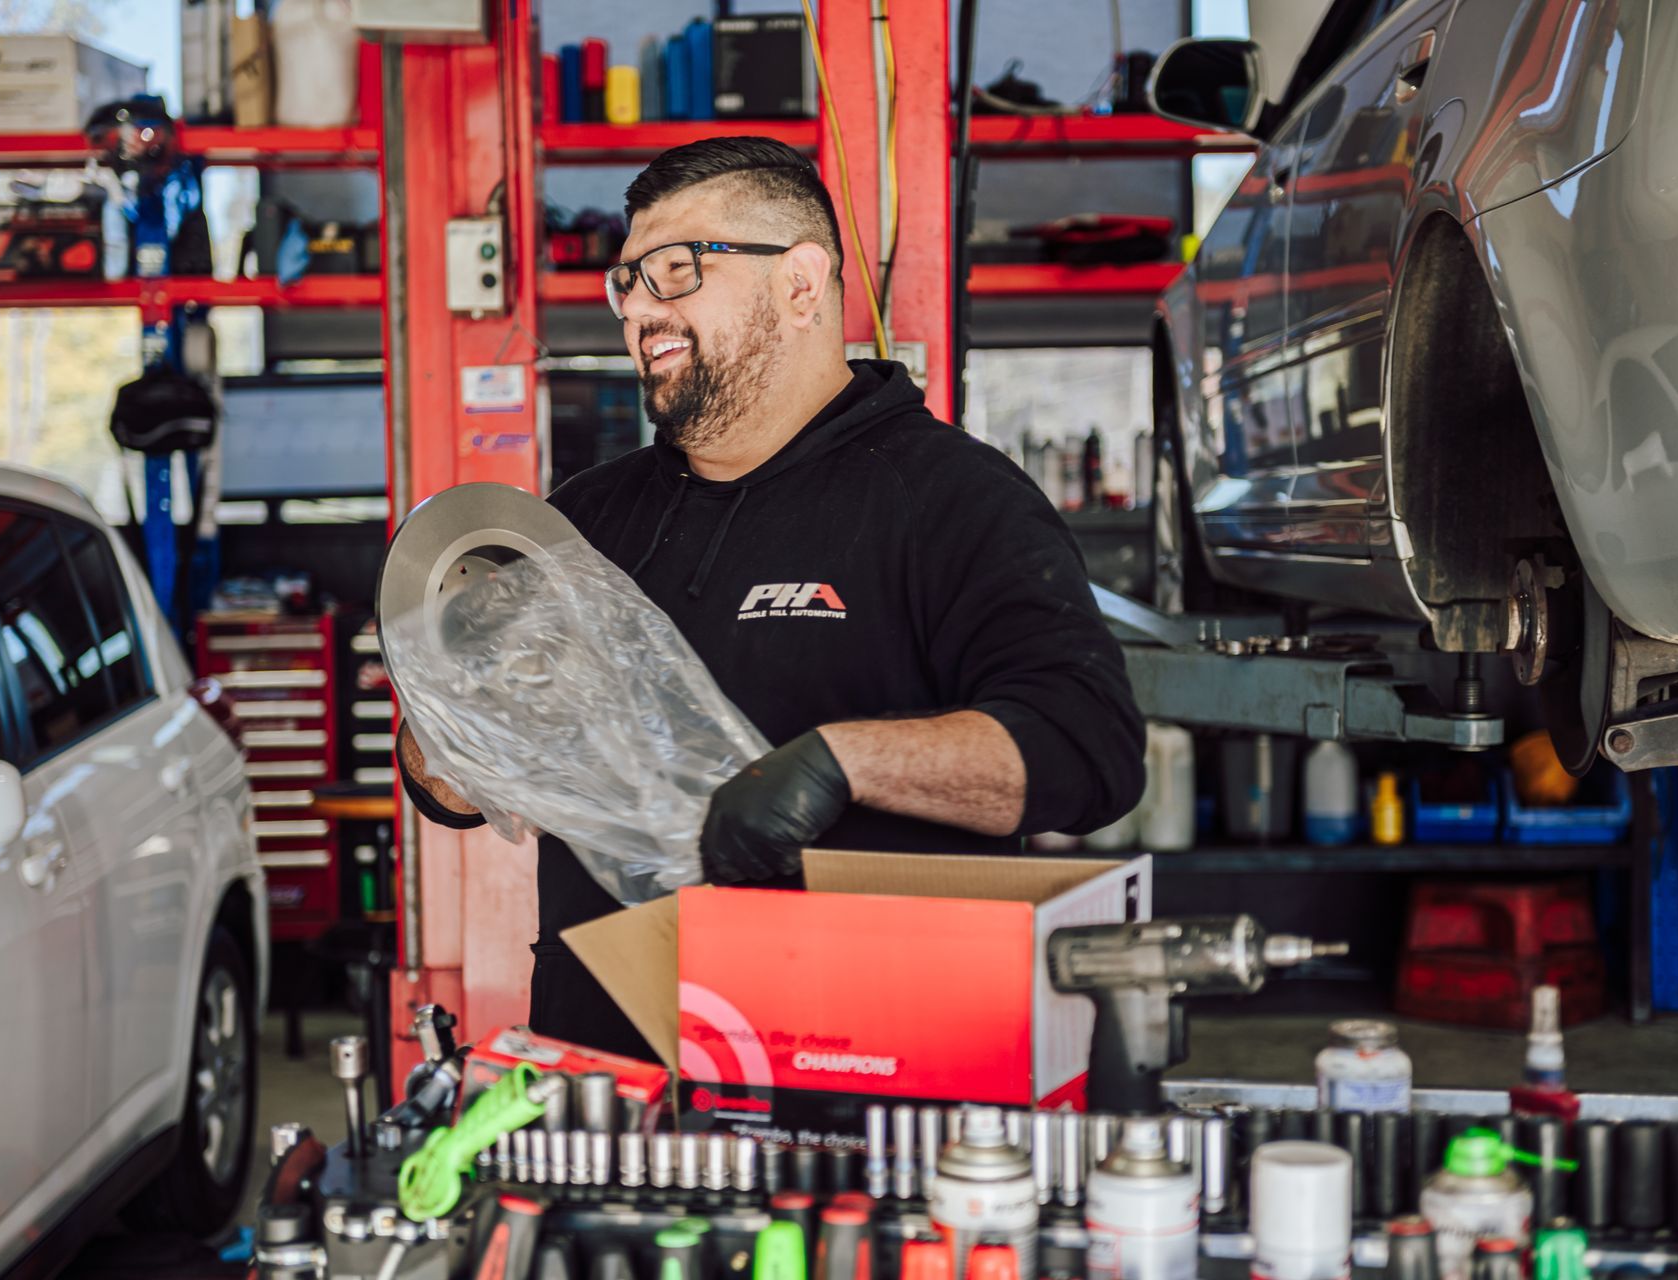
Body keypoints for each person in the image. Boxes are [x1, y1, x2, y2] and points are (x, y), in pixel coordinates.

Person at [398, 136, 1145, 1056]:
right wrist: (448, 721)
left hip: (859, 1078)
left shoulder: (952, 499)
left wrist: (841, 763)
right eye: (626, 281)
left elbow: (1089, 749)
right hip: (608, 1081)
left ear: (800, 283)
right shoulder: (584, 519)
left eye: (674, 270)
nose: (638, 307)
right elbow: (457, 789)